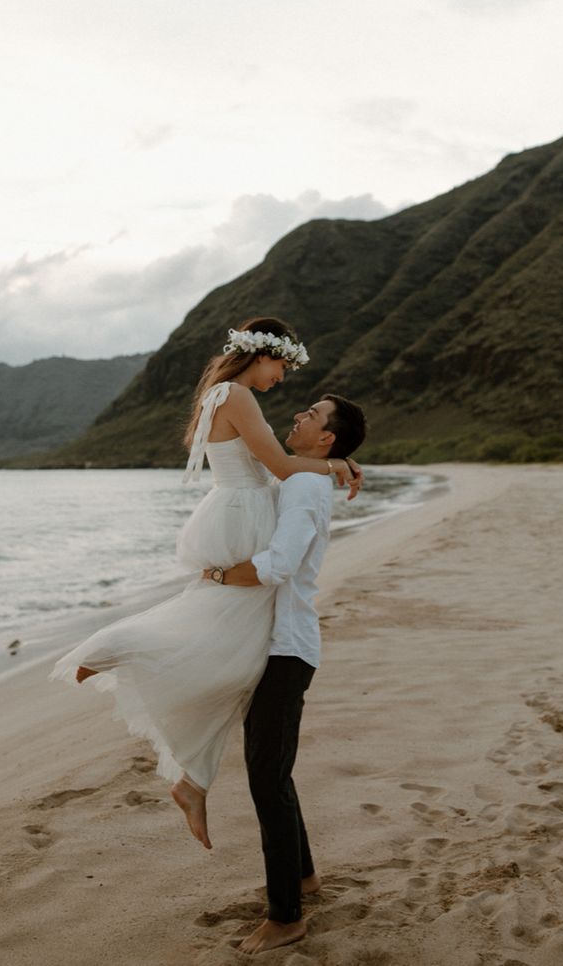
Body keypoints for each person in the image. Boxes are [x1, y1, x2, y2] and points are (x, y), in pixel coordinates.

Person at [50, 318, 361, 852]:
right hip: (244, 513)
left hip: (242, 509)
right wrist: (337, 464)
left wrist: (330, 464)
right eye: (282, 366)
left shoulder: (229, 394)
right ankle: (115, 647)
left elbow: (280, 467)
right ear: (260, 356)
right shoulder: (238, 395)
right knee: (219, 629)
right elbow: (284, 466)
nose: (282, 380)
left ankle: (193, 778)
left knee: (235, 657)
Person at [201, 393, 367, 955]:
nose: (299, 414)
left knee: (266, 780)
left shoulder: (302, 485)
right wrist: (331, 465)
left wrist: (218, 577)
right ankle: (303, 878)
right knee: (275, 772)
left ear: (326, 438)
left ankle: (287, 916)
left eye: (313, 416)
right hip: (283, 645)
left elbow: (278, 565)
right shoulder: (305, 477)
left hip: (285, 648)